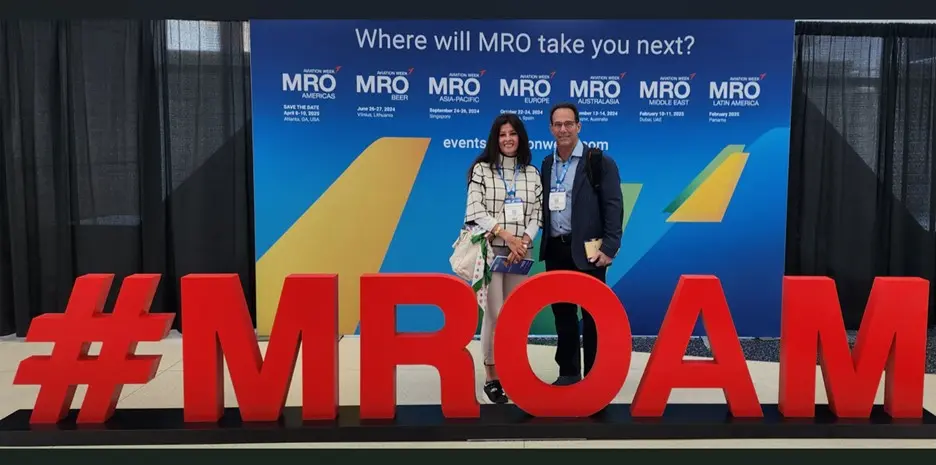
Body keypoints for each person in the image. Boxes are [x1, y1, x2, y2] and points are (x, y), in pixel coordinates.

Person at [538, 102, 623, 386]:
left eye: (568, 124)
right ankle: (569, 373)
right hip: (555, 248)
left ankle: (595, 378)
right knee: (562, 314)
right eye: (557, 125)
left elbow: (613, 205)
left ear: (578, 126)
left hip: (589, 250)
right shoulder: (548, 164)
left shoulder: (598, 161)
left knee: (592, 315)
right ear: (551, 128)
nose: (563, 129)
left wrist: (610, 248)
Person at [464, 112, 543, 403]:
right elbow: (475, 211)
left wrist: (523, 241)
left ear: (520, 137)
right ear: (495, 139)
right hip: (492, 251)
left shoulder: (531, 173)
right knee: (495, 315)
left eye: (512, 133)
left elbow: (538, 215)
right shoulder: (481, 169)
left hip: (520, 254)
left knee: (515, 316)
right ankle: (491, 374)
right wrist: (506, 236)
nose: (508, 139)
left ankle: (512, 370)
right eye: (502, 134)